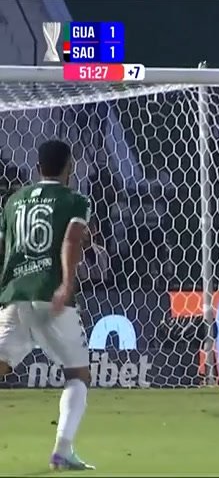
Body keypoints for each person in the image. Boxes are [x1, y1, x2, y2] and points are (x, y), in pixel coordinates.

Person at [0, 140, 94, 470]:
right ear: (70, 167)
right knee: (78, 374)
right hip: (51, 296)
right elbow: (71, 239)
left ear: (38, 168)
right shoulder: (75, 200)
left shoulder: (13, 202)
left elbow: (3, 248)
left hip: (14, 295)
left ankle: (63, 452)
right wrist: (66, 283)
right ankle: (62, 451)